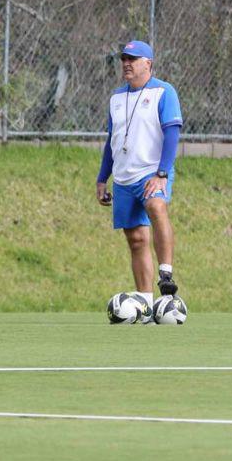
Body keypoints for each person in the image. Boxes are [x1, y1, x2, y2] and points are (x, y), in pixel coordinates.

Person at [96, 40, 182, 310]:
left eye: (133, 59)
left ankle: (166, 274)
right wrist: (102, 178)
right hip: (123, 178)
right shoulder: (116, 98)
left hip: (150, 173)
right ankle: (145, 302)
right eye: (124, 59)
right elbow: (113, 140)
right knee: (135, 239)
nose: (126, 64)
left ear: (149, 64)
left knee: (157, 205)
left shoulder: (163, 92)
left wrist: (162, 173)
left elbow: (172, 133)